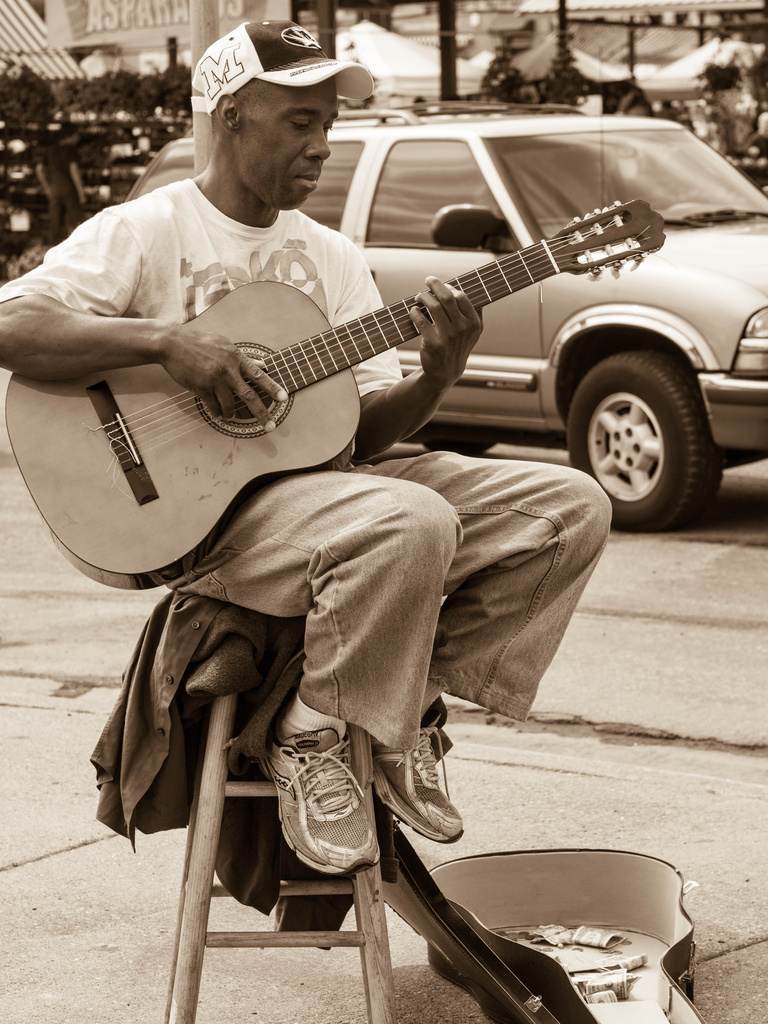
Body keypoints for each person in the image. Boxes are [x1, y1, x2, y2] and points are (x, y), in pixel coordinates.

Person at [0, 21, 611, 877]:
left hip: (325, 488)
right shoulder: (145, 229)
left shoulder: (330, 256)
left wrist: (437, 375)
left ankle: (400, 714)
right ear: (231, 116)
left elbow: (358, 433)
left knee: (571, 506)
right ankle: (308, 738)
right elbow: (12, 325)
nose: (322, 145)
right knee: (410, 518)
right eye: (300, 122)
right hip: (203, 523)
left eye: (330, 123)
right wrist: (170, 345)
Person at [34, 123, 86, 245]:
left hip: (55, 191)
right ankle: (78, 248)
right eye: (77, 135)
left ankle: (52, 251)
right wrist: (81, 192)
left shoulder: (51, 150)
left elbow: (39, 169)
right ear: (71, 135)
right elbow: (74, 171)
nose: (78, 138)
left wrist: (47, 187)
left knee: (55, 225)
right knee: (77, 225)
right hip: (70, 191)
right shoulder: (71, 150)